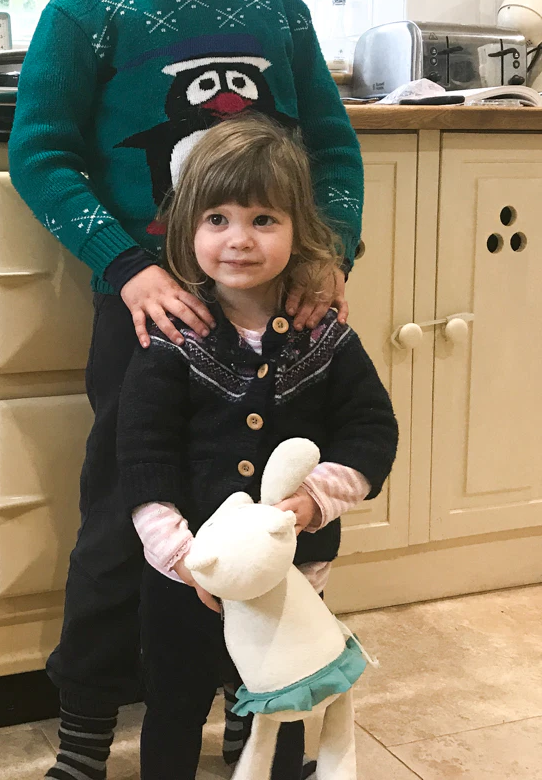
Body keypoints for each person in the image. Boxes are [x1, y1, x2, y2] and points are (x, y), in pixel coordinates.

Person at [7, 0, 366, 777]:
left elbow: (334, 156)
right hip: (152, 322)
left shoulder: (277, 12)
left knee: (284, 522)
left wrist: (328, 259)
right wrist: (123, 267)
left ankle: (269, 717)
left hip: (277, 327)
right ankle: (84, 740)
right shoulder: (88, 5)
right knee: (125, 525)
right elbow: (43, 153)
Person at [116, 116, 397, 779]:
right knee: (175, 703)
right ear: (187, 230)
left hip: (295, 576)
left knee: (283, 704)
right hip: (185, 578)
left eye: (264, 219)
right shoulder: (173, 342)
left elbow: (371, 432)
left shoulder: (326, 341)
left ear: (299, 230)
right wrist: (180, 556)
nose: (239, 239)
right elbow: (142, 456)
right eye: (217, 219)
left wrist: (313, 502)